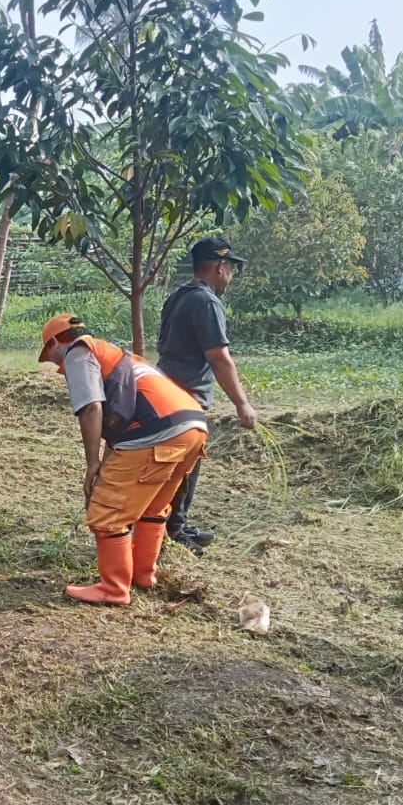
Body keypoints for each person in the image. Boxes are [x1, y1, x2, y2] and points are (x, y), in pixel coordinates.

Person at [39, 315, 209, 607]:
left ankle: (114, 589)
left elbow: (92, 409)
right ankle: (144, 575)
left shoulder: (79, 353)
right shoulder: (120, 357)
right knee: (153, 506)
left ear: (56, 342)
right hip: (193, 427)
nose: (56, 365)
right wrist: (104, 464)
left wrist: (92, 465)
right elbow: (118, 426)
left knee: (106, 514)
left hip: (155, 431)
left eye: (50, 355)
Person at [154, 236, 258, 551]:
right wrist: (242, 404)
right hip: (185, 400)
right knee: (182, 468)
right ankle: (172, 532)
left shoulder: (178, 295)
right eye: (231, 270)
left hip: (164, 392)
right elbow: (219, 357)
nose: (230, 277)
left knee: (172, 468)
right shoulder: (206, 301)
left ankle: (174, 525)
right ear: (220, 266)